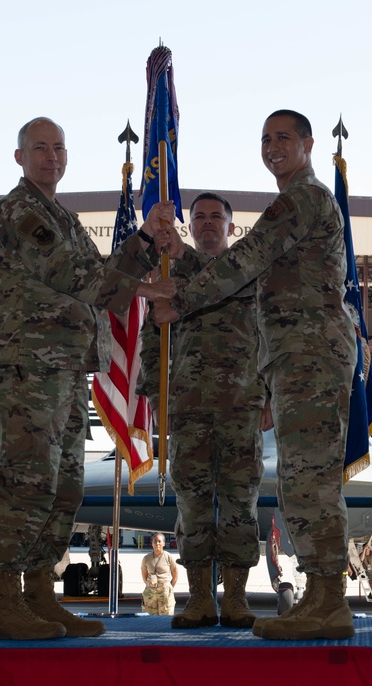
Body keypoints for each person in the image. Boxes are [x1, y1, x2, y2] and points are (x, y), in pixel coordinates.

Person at [152, 110, 359, 641]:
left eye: (283, 137)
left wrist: (181, 298)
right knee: (299, 482)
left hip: (309, 354)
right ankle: (319, 596)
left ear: (309, 144)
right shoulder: (295, 201)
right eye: (265, 139)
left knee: (309, 481)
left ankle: (329, 600)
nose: (272, 146)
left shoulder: (303, 200)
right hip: (295, 358)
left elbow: (248, 258)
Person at [0, 116, 176, 641]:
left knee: (61, 485)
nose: (51, 157)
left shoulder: (60, 216)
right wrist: (150, 292)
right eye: (39, 148)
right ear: (19, 157)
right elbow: (81, 279)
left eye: (59, 148)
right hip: (30, 366)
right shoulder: (22, 213)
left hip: (64, 367)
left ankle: (39, 594)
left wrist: (145, 241)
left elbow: (104, 276)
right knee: (28, 480)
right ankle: (3, 600)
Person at [139, 192, 268, 629]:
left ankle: (235, 598)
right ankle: (198, 599)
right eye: (200, 218)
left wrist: (267, 393)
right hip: (189, 408)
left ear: (233, 228)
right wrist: (156, 397)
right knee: (192, 504)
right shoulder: (169, 275)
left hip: (242, 407)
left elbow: (270, 335)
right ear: (189, 227)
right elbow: (152, 340)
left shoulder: (251, 275)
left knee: (240, 504)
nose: (209, 223)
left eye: (217, 217)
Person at [141, 533, 178, 615]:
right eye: (155, 541)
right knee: (150, 618)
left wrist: (169, 588)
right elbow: (144, 576)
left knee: (166, 617)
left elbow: (175, 575)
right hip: (151, 594)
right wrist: (150, 585)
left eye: (159, 541)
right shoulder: (146, 558)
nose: (157, 543)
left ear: (163, 543)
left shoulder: (169, 557)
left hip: (165, 593)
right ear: (152, 543)